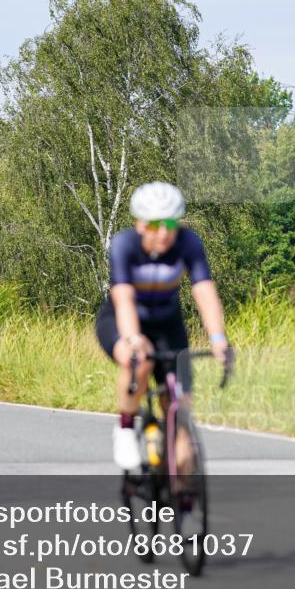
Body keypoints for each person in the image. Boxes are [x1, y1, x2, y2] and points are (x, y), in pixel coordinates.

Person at [95, 182, 229, 470]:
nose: (165, 232)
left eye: (170, 223)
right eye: (156, 225)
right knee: (138, 362)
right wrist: (132, 338)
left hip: (168, 325)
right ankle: (126, 428)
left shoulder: (188, 243)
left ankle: (181, 494)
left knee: (180, 408)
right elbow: (124, 297)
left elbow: (204, 290)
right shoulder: (124, 244)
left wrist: (218, 339)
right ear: (140, 224)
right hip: (122, 320)